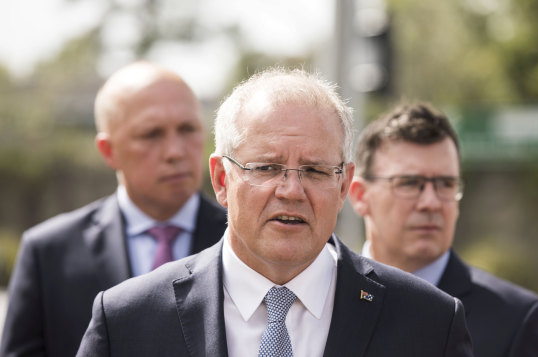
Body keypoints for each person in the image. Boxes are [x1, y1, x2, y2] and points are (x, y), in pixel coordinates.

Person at [76, 68, 472, 357]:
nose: (292, 191)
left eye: (315, 171)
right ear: (220, 179)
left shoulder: (429, 323)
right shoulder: (129, 320)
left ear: (343, 185)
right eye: (267, 168)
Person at [0, 62, 227, 357]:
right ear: (109, 150)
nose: (176, 151)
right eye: (151, 134)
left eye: (188, 129)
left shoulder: (243, 240)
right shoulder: (50, 252)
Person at [348, 102, 538, 357]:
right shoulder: (325, 299)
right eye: (410, 183)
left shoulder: (516, 320)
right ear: (360, 196)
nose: (431, 203)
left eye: (446, 184)